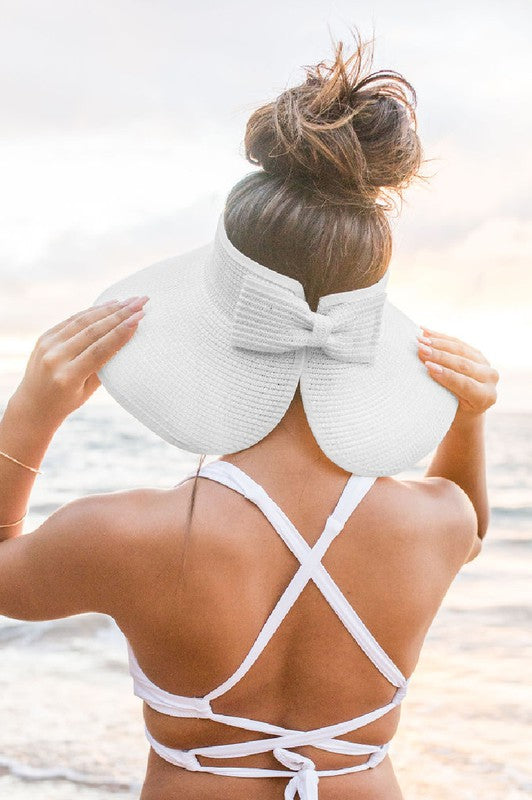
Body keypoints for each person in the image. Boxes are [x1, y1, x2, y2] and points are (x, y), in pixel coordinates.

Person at [0, 32, 498, 800]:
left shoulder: (130, 534)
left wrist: (31, 415)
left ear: (211, 317)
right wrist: (464, 420)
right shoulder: (435, 525)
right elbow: (470, 524)